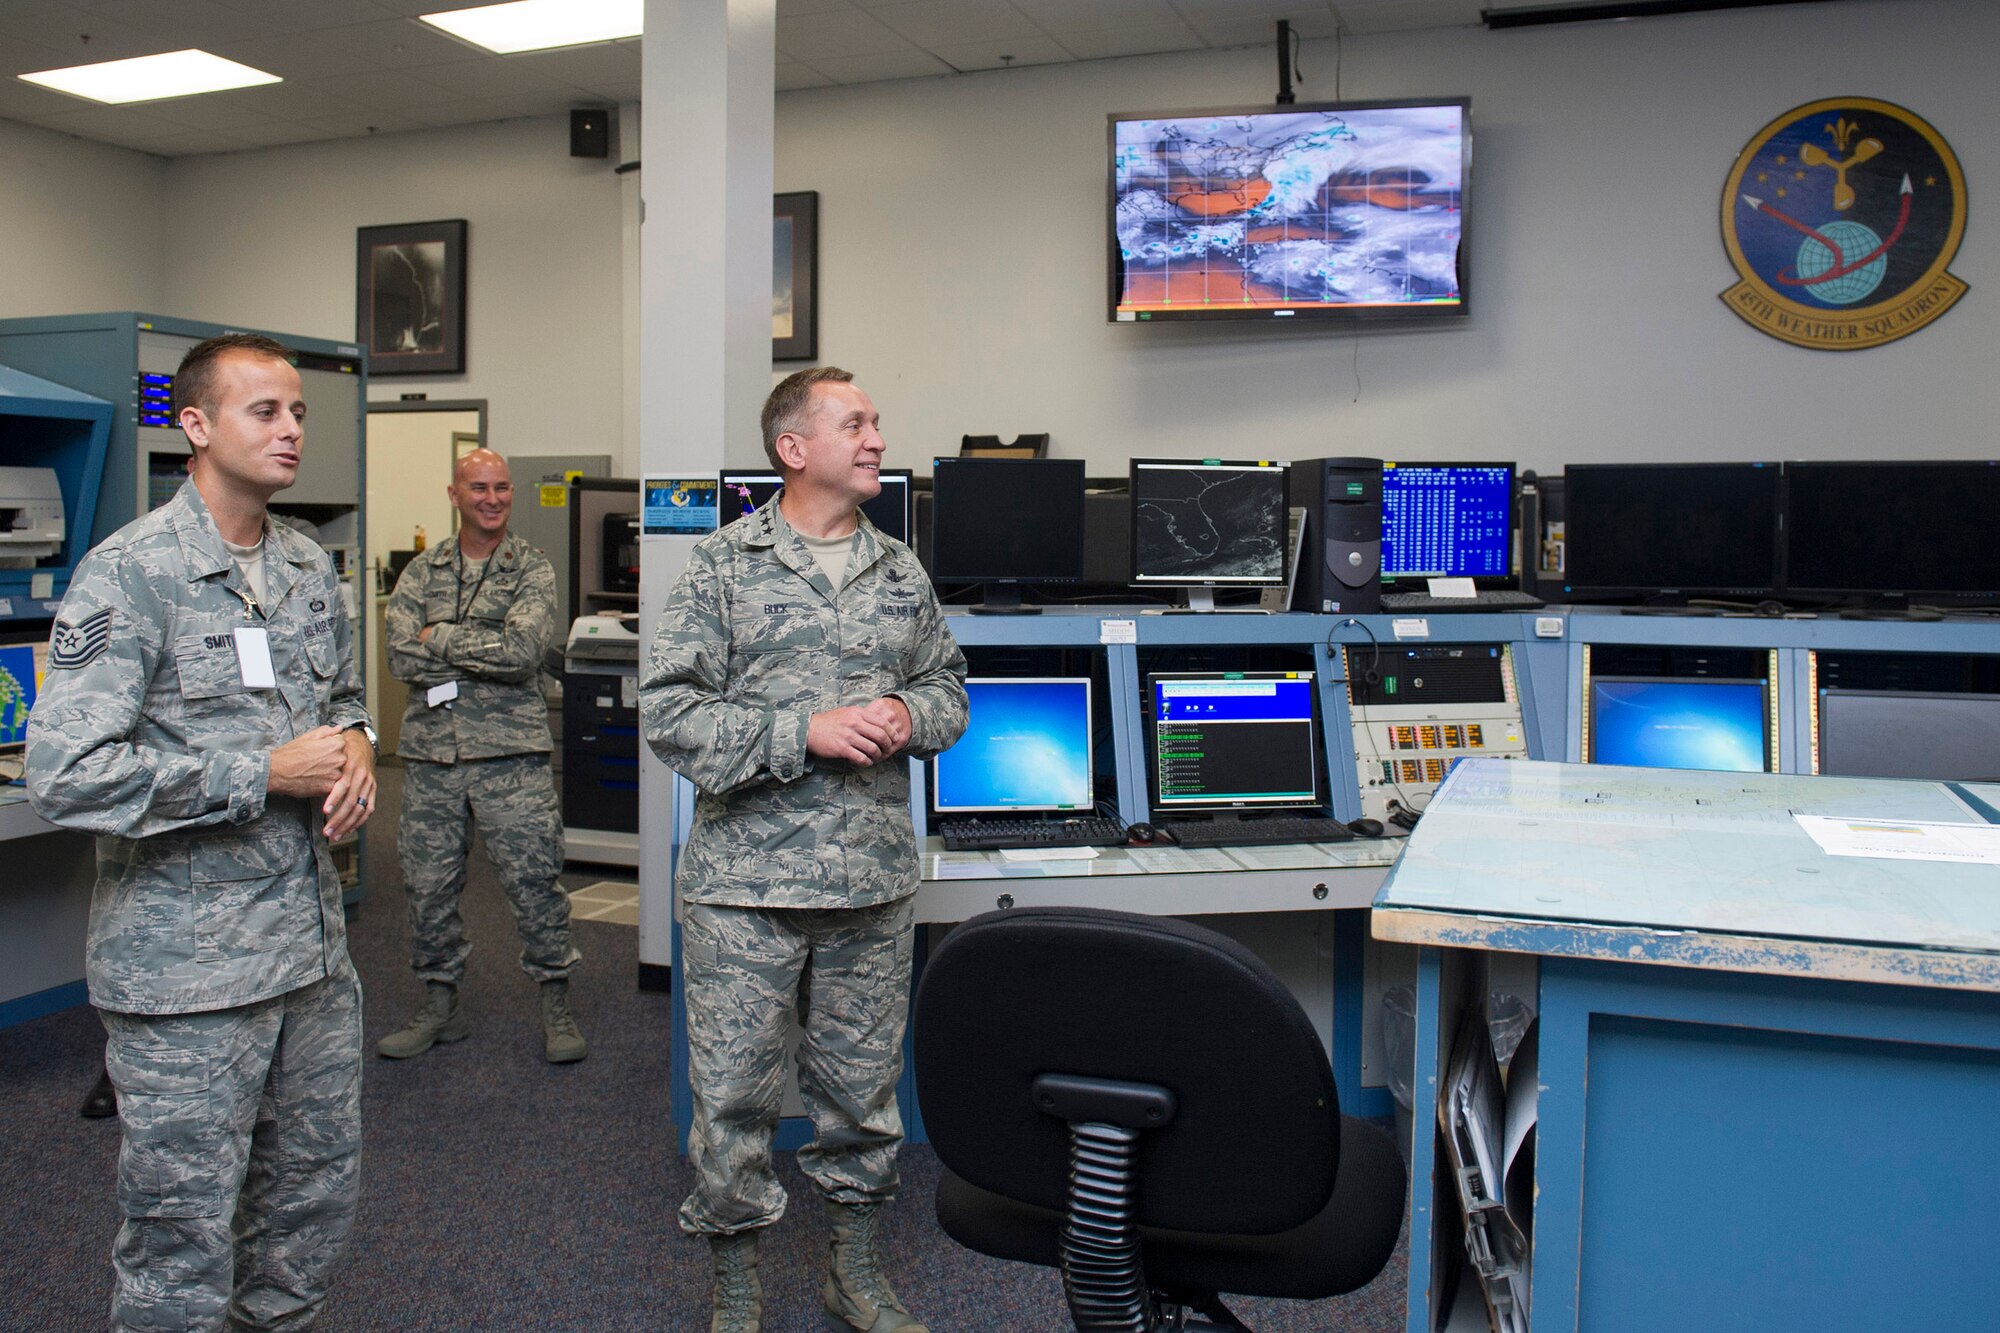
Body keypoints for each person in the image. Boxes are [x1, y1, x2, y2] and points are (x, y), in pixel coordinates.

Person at [28, 333, 376, 1331]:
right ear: (195, 425)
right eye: (264, 411)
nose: (291, 430)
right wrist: (259, 774)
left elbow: (342, 699)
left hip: (307, 956)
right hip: (187, 975)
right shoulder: (130, 575)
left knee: (309, 1210)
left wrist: (352, 752)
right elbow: (65, 772)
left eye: (300, 412)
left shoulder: (306, 564)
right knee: (180, 1239)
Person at [642, 366, 968, 1333]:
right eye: (855, 422)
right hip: (747, 889)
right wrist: (804, 733)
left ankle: (851, 1271)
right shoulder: (722, 566)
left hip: (869, 884)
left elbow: (950, 692)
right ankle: (737, 1285)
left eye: (876, 422)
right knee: (734, 1098)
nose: (877, 437)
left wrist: (907, 711)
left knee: (863, 1098)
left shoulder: (900, 568)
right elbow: (668, 712)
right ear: (794, 448)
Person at [378, 448, 583, 1063]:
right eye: (478, 488)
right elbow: (397, 658)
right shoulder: (422, 571)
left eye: (501, 488)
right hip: (432, 759)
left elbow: (523, 653)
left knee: (534, 883)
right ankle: (439, 1005)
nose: (491, 499)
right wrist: (478, 650)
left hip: (510, 758)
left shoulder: (532, 568)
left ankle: (556, 1003)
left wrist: (436, 637)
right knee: (427, 887)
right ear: (454, 494)